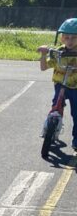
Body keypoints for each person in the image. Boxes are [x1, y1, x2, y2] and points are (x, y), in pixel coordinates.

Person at [37, 18, 77, 151]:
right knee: (56, 107)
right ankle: (50, 127)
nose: (70, 41)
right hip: (60, 84)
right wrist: (44, 54)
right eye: (66, 37)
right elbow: (44, 67)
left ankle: (76, 139)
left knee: (76, 113)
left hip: (75, 87)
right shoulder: (58, 52)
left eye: (74, 38)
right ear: (61, 38)